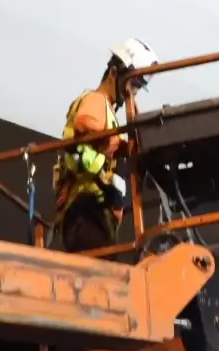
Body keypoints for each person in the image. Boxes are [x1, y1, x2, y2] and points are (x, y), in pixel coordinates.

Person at [53, 38, 158, 253]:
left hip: (98, 211)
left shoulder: (108, 109)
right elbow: (85, 120)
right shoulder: (96, 99)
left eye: (138, 87)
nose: (134, 91)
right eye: (133, 84)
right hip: (87, 208)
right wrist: (113, 140)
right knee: (93, 271)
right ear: (113, 73)